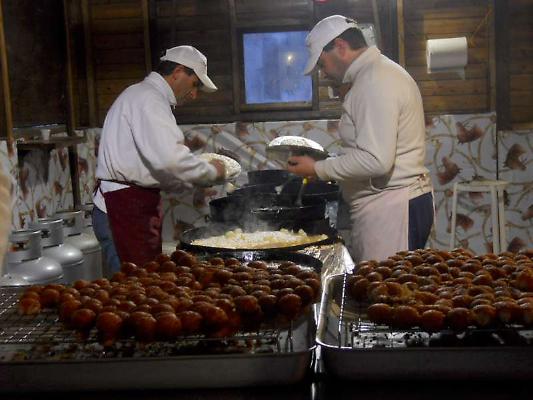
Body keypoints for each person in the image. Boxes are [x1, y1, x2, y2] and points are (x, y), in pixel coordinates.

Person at [287, 15, 433, 263]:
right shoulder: (375, 74)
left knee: (387, 293)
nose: (323, 74)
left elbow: (376, 160)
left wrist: (318, 168)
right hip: (391, 204)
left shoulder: (374, 81)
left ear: (341, 47)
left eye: (322, 64)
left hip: (393, 208)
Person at [92, 45, 225, 272]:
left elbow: (161, 165)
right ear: (179, 71)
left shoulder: (142, 96)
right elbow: (170, 161)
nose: (194, 95)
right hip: (124, 208)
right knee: (134, 292)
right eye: (195, 85)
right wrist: (213, 171)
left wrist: (193, 174)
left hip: (131, 204)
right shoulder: (149, 99)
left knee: (141, 290)